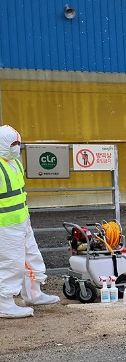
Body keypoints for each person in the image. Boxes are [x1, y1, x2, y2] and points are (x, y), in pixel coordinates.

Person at [0, 125, 59, 318]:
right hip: (5, 225)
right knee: (12, 263)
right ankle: (4, 303)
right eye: (13, 143)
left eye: (18, 142)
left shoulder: (14, 162)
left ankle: (34, 294)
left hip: (22, 221)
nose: (17, 147)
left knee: (32, 258)